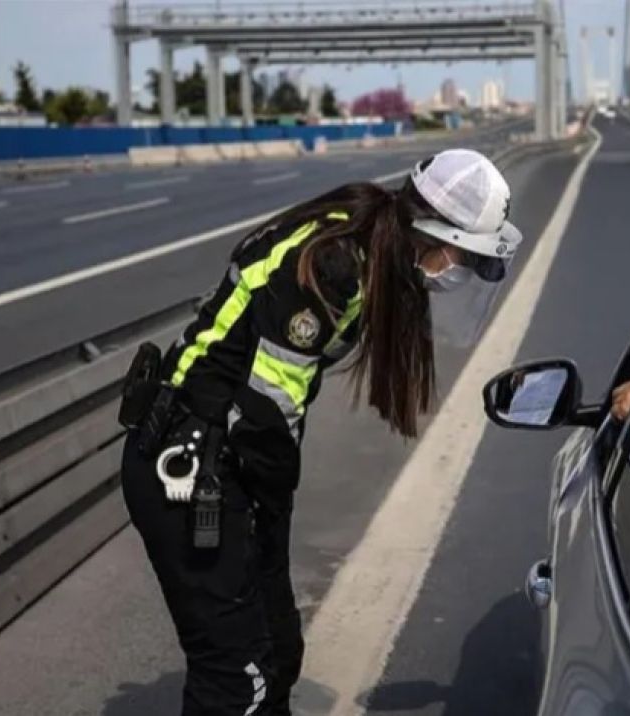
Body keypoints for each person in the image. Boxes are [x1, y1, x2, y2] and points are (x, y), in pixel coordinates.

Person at [118, 149, 522, 715]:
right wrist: (270, 503)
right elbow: (264, 416)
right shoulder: (334, 262)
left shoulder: (372, 245)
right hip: (189, 468)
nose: (465, 273)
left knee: (278, 652)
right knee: (236, 678)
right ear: (431, 232)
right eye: (466, 257)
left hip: (232, 461)